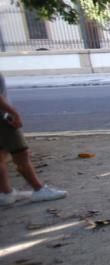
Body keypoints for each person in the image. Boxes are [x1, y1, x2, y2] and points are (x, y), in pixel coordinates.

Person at [0, 73, 67, 205]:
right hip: (2, 119)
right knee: (21, 154)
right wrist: (14, 113)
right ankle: (38, 189)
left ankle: (6, 192)